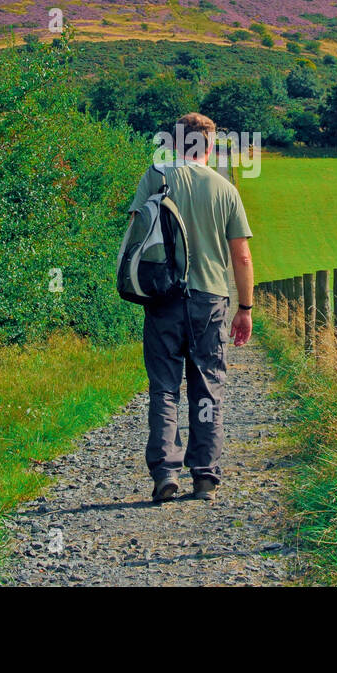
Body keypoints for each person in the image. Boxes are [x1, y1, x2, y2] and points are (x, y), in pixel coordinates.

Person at [126, 112, 253, 502]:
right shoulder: (225, 188)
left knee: (164, 388)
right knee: (206, 388)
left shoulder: (156, 176)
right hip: (210, 300)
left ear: (174, 141)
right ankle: (204, 477)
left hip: (163, 298)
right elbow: (242, 257)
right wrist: (245, 308)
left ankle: (166, 474)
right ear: (210, 146)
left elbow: (135, 237)